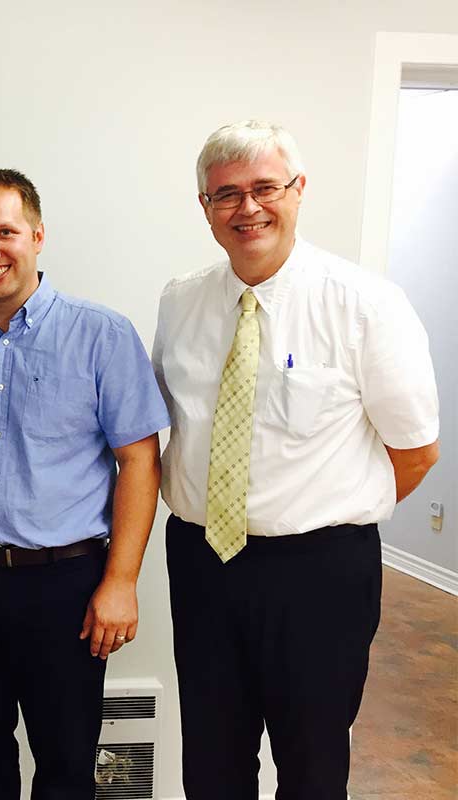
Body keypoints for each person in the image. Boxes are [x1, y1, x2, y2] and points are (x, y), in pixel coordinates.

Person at [153, 120, 440, 799]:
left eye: (264, 188)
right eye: (226, 195)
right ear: (205, 207)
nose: (247, 208)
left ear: (298, 191)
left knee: (312, 768)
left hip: (320, 575)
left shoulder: (366, 304)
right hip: (202, 564)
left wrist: (329, 512)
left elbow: (418, 451)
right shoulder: (180, 300)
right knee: (212, 765)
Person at [0, 169, 169, 799]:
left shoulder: (102, 335)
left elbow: (140, 462)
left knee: (68, 760)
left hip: (67, 588)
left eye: (5, 232)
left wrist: (121, 582)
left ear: (38, 236)